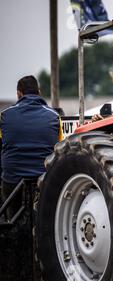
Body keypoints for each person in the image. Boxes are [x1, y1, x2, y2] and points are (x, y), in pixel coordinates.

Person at [0, 75, 62, 218]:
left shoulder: (4, 116)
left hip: (12, 180)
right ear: (39, 92)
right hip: (43, 181)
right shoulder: (54, 116)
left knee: (12, 221)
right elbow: (58, 147)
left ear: (18, 93)